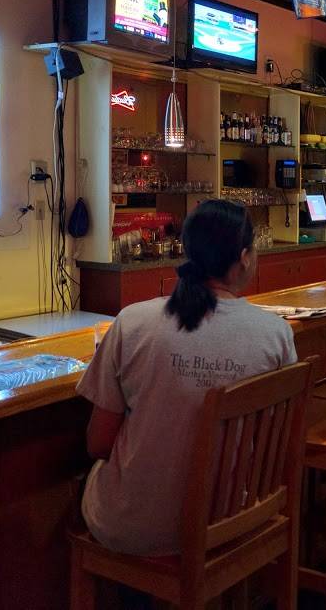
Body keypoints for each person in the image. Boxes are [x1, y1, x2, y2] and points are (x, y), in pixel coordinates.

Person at [77, 200, 297, 556]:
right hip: (231, 519)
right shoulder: (275, 334)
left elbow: (98, 444)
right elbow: (270, 442)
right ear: (244, 258)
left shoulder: (132, 322)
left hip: (135, 528)